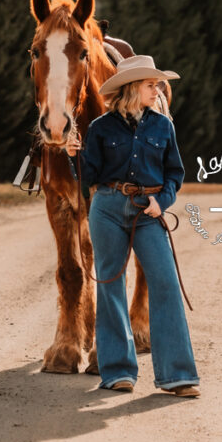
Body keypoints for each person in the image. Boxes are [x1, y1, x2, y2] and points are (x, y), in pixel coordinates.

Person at [66, 54, 200, 398]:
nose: (158, 90)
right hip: (107, 208)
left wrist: (162, 201)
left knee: (166, 283)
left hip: (148, 210)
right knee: (110, 285)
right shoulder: (100, 128)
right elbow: (89, 176)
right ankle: (118, 372)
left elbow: (175, 173)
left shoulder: (162, 125)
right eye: (151, 84)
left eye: (157, 84)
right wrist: (72, 155)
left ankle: (178, 376)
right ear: (131, 88)